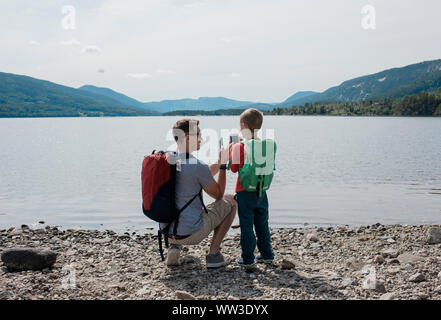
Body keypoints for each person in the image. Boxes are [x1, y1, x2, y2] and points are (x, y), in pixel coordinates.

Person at [162, 119, 237, 268]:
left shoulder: (167, 159)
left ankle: (174, 247)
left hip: (166, 231)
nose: (201, 139)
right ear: (188, 137)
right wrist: (222, 166)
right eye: (199, 134)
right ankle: (214, 255)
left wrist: (220, 160)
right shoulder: (197, 166)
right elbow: (218, 195)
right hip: (191, 234)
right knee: (231, 201)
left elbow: (202, 175)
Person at [230, 109, 276, 267]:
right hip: (262, 191)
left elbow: (234, 169)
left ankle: (248, 259)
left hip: (244, 191)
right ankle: (267, 255)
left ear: (243, 125)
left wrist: (230, 152)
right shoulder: (265, 146)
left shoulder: (239, 146)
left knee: (247, 225)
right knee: (262, 224)